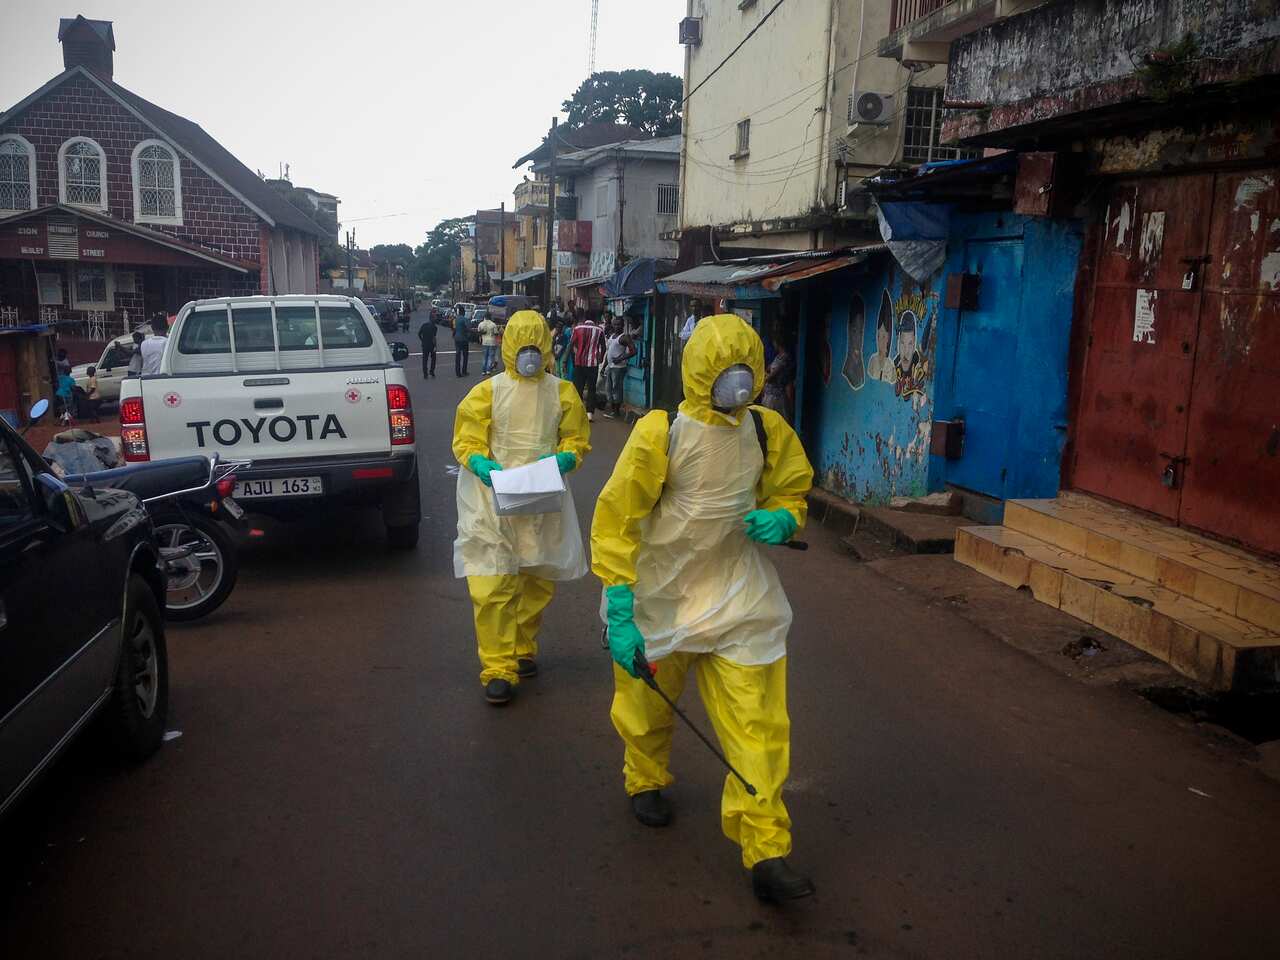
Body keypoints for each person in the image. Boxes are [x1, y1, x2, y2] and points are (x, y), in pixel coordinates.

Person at [590, 313, 816, 903]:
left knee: (759, 725)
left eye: (746, 373)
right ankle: (644, 777)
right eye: (727, 373)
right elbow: (618, 517)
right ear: (699, 372)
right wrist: (619, 605)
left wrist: (785, 516)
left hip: (738, 596)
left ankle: (766, 847)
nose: (738, 385)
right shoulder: (660, 433)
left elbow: (790, 488)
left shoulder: (765, 430)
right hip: (661, 596)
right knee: (647, 708)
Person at [453, 311, 591, 705]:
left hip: (541, 495)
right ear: (509, 345)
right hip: (491, 497)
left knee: (535, 576)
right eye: (523, 346)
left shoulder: (561, 392)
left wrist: (568, 457)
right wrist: (479, 461)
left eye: (536, 347)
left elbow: (576, 437)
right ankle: (498, 666)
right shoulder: (488, 392)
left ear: (546, 347)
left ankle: (521, 647)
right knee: (492, 579)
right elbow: (467, 437)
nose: (530, 354)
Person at [570, 312, 605, 421]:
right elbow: (603, 347)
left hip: (579, 362)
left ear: (584, 318)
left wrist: (574, 358)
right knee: (591, 388)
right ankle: (589, 413)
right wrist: (600, 358)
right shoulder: (599, 330)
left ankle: (578, 412)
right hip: (593, 363)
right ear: (595, 320)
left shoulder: (577, 328)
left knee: (578, 388)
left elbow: (572, 344)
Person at [603, 317, 636, 419]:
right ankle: (613, 409)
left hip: (618, 367)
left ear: (622, 325)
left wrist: (620, 358)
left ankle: (616, 411)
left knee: (616, 389)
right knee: (608, 389)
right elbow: (608, 352)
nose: (616, 326)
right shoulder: (612, 336)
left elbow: (633, 351)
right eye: (615, 324)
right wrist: (604, 365)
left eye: (619, 325)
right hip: (610, 366)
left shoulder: (624, 337)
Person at [762, 333, 796, 424]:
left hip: (776, 396)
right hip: (770, 394)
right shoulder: (778, 356)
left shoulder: (785, 357)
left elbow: (771, 375)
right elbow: (768, 369)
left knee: (777, 421)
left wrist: (765, 377)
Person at [453, 308, 471, 377]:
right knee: (465, 356)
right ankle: (464, 371)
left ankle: (458, 372)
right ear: (463, 312)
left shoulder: (456, 319)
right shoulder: (465, 319)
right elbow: (468, 328)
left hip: (457, 339)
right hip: (464, 339)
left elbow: (454, 328)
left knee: (458, 355)